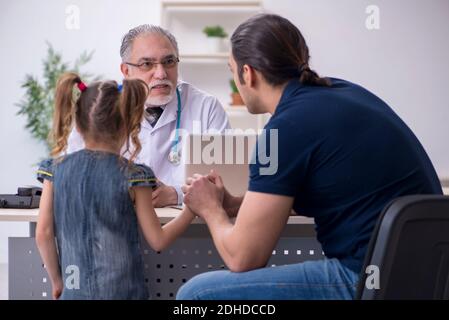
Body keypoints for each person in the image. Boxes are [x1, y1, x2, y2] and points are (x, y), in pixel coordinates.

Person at [177, 14, 443, 300]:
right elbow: (326, 190)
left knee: (197, 294)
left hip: (368, 279)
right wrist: (233, 205)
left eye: (232, 71)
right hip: (429, 274)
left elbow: (244, 258)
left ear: (247, 73)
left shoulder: (283, 129)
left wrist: (210, 210)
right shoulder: (342, 92)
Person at [35, 72, 195, 300]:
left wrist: (57, 282)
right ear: (127, 125)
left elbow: (43, 233)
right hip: (124, 293)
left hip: (74, 290)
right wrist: (191, 209)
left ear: (78, 126)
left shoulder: (55, 170)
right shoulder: (135, 176)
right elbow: (158, 240)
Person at [67, 25, 230, 207]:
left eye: (169, 62)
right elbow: (74, 174)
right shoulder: (100, 106)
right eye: (147, 64)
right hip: (116, 224)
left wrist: (176, 194)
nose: (161, 73)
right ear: (126, 71)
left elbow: (223, 183)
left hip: (190, 230)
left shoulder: (206, 107)